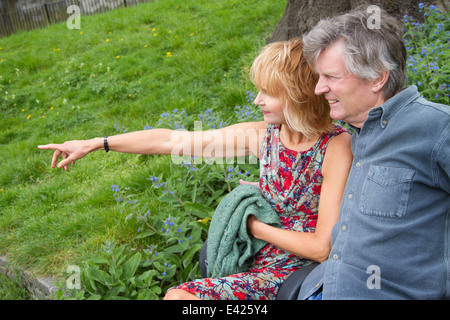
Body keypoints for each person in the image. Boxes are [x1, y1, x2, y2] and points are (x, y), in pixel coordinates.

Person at [38, 39, 353, 300]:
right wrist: (97, 142)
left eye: (268, 92)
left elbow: (322, 248)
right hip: (249, 264)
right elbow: (170, 141)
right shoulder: (263, 137)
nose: (257, 100)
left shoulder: (335, 148)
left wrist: (253, 226)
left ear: (297, 93)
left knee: (181, 298)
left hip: (291, 278)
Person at [297, 6, 450, 300]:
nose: (319, 88)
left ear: (378, 77)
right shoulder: (357, 134)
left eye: (331, 76)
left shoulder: (436, 128)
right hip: (322, 288)